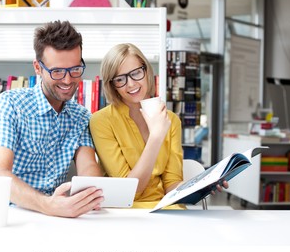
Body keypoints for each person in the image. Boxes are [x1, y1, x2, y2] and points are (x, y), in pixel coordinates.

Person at [0, 20, 104, 218]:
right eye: (57, 71)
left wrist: (91, 194)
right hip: (0, 214)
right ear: (38, 67)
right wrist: (47, 205)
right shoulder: (10, 104)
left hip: (49, 216)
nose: (68, 80)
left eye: (75, 69)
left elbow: (88, 167)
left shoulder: (81, 116)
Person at [90, 43, 227, 209]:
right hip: (126, 210)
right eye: (120, 79)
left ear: (146, 71)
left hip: (165, 207)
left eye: (136, 73)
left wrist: (202, 185)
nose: (131, 84)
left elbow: (171, 185)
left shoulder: (171, 120)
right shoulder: (101, 121)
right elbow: (128, 190)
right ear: (112, 85)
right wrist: (156, 136)